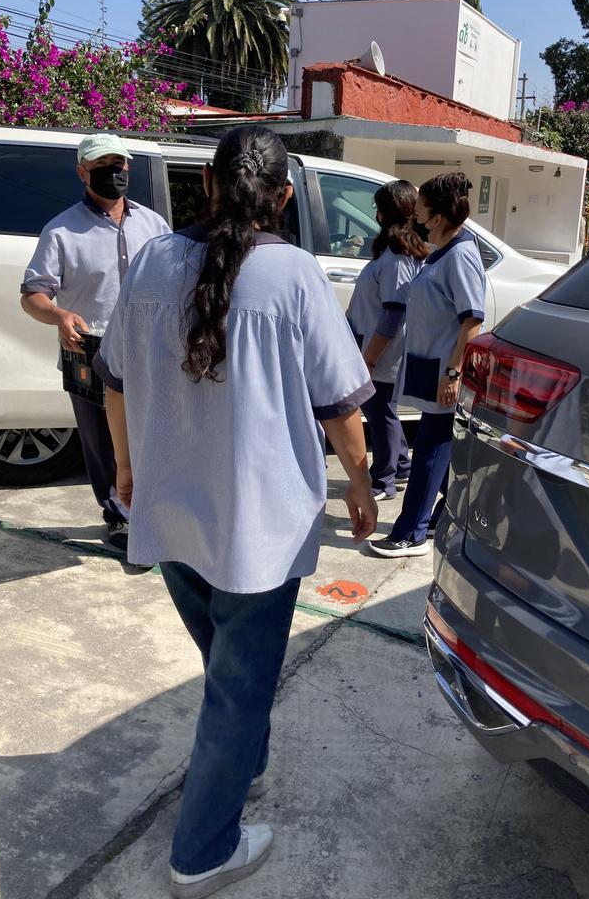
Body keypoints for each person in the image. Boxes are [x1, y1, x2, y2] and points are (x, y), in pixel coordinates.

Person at [92, 126, 378, 897]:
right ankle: (202, 852)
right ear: (282, 197)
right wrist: (360, 481)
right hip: (260, 528)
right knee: (237, 683)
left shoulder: (153, 260)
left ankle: (243, 760)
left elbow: (114, 381)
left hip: (170, 511)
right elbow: (342, 405)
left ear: (209, 186)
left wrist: (126, 468)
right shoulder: (294, 274)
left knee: (226, 663)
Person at [20, 133, 170, 559]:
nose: (113, 173)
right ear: (82, 172)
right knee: (102, 441)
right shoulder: (61, 230)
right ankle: (118, 514)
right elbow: (32, 294)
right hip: (90, 349)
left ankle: (152, 510)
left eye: (118, 165)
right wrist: (59, 315)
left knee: (152, 433)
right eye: (102, 166)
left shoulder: (154, 225)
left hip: (148, 348)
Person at [370, 172, 486, 558]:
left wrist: (454, 373)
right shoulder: (441, 252)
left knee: (429, 452)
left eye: (420, 210)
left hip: (444, 372)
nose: (415, 216)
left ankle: (410, 533)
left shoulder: (461, 256)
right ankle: (444, 515)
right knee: (437, 453)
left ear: (436, 217)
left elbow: (472, 321)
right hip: (428, 365)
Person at [346, 180, 428, 500]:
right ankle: (402, 464)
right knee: (384, 410)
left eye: (377, 208)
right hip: (374, 347)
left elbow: (394, 313)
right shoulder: (394, 252)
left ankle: (383, 480)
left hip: (381, 351)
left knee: (380, 414)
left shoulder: (397, 257)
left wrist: (370, 357)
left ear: (385, 213)